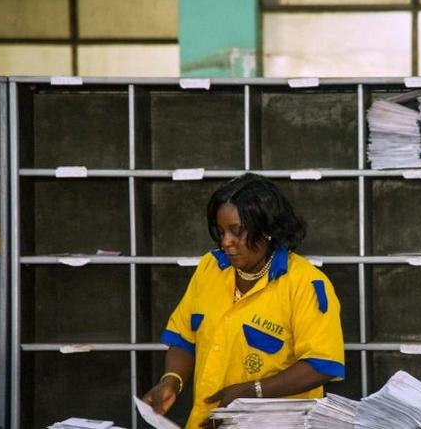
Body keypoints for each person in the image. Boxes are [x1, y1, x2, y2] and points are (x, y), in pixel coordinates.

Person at [142, 173, 345, 428]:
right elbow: (184, 338)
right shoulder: (210, 268)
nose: (226, 242)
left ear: (268, 230)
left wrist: (251, 391)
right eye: (221, 231)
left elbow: (322, 365)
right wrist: (171, 381)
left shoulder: (305, 283)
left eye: (237, 232)